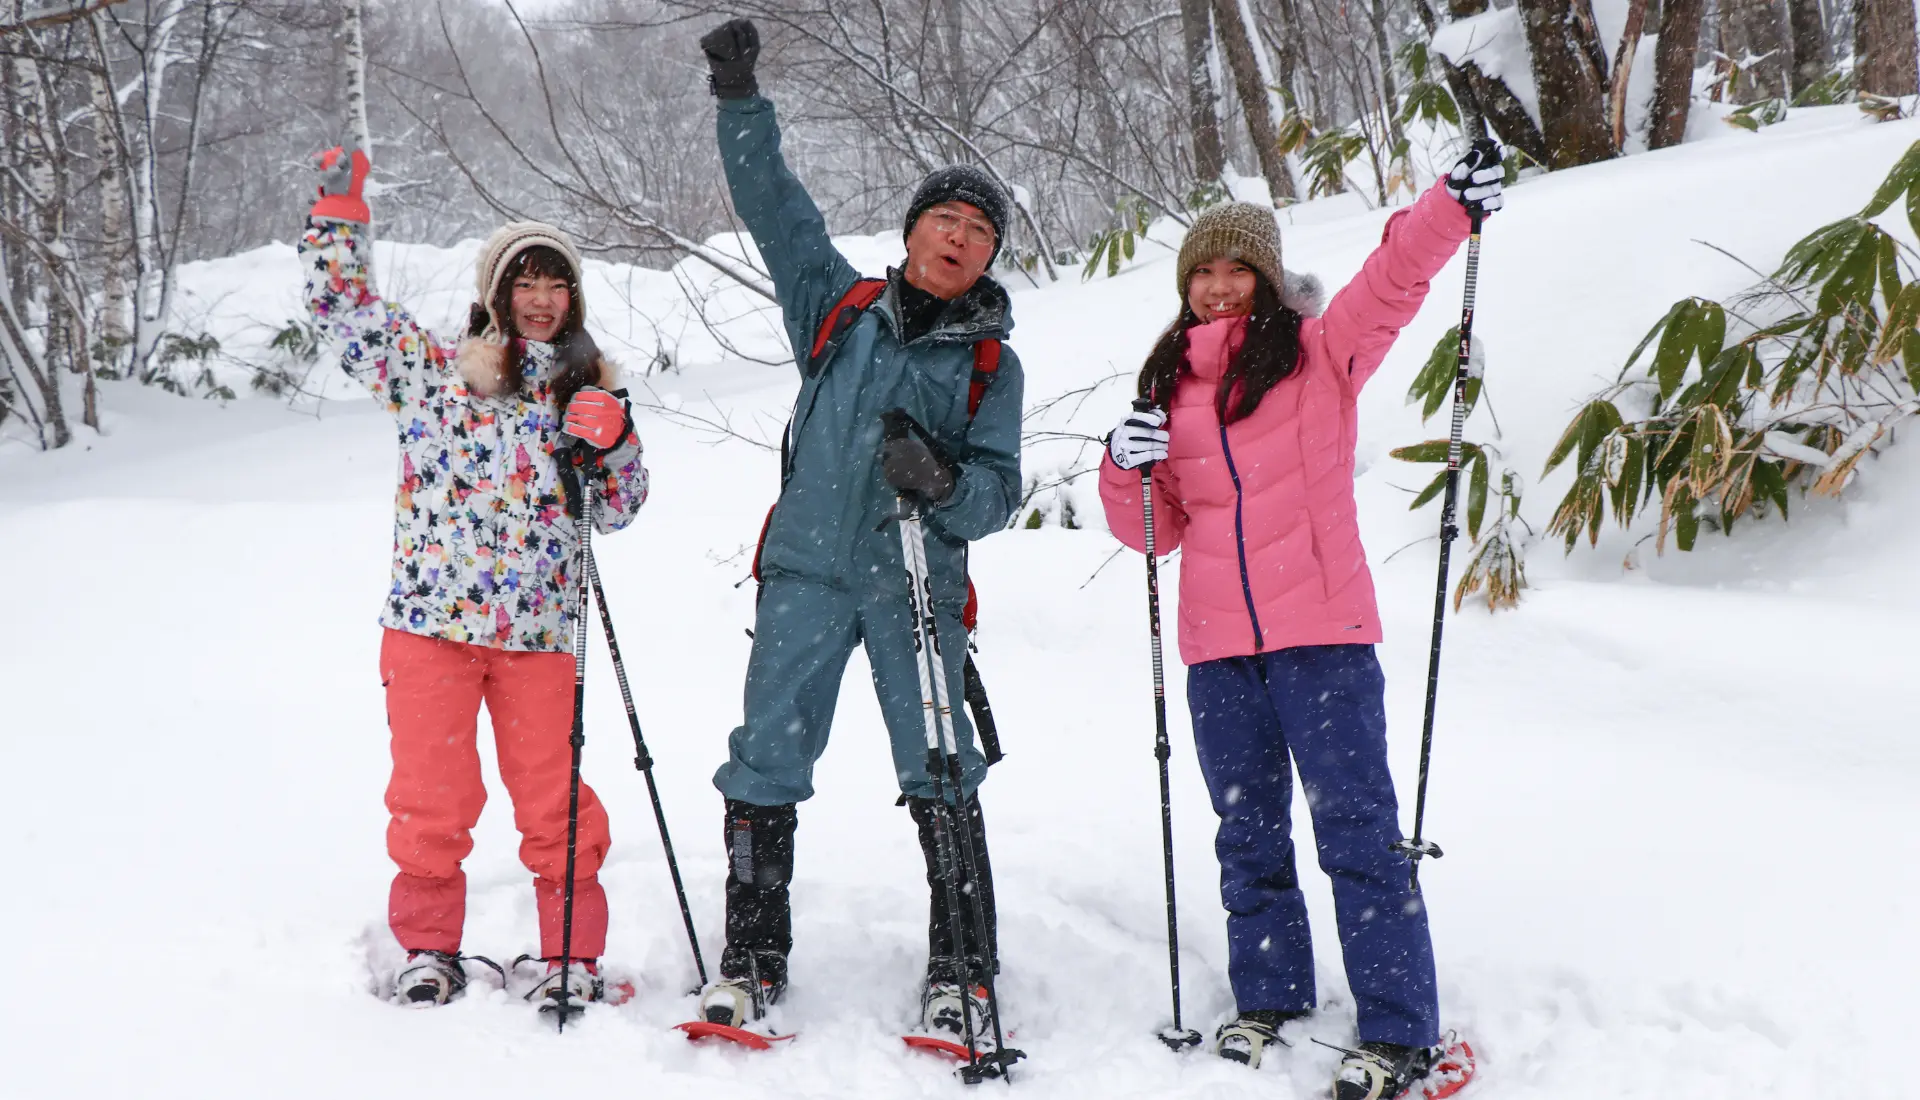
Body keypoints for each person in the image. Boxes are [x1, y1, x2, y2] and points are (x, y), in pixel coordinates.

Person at [1098, 146, 1504, 1099]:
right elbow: (1151, 531)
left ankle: (1401, 1029)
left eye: (1238, 269)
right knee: (1248, 836)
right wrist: (1122, 462)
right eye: (1203, 271)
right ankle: (1270, 994)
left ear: (1270, 279)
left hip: (1320, 640)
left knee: (1357, 832)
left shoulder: (1323, 355)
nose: (1219, 287)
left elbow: (1393, 278)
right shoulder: (1169, 387)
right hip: (1218, 654)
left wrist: (1448, 206)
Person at [693, 19, 1025, 1044]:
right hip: (804, 575)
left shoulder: (989, 367)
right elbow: (776, 210)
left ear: (987, 256)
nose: (960, 237)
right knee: (765, 762)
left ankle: (962, 965)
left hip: (913, 588)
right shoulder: (840, 311)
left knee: (939, 762)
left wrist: (942, 482)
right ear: (917, 227)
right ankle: (753, 955)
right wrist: (741, 100)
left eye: (980, 229)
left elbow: (999, 492)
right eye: (947, 219)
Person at [301, 144, 650, 1008]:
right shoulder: (434, 377)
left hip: (538, 637)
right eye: (525, 282)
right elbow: (342, 312)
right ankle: (427, 950)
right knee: (430, 802)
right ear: (497, 292)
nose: (541, 299)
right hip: (430, 628)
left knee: (556, 803)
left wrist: (615, 443)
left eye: (556, 284)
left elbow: (619, 507)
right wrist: (338, 221)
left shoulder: (586, 391)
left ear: (572, 298)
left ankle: (570, 955)